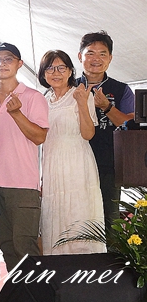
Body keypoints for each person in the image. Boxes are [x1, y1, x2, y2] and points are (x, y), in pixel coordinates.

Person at [0, 43, 48, 273]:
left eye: (8, 59)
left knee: (25, 246)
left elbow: (39, 137)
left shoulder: (33, 97)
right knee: (7, 246)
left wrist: (16, 113)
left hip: (23, 184)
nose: (2, 64)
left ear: (19, 64)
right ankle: (18, 293)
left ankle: (37, 294)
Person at [37, 50, 106, 256]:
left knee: (79, 212)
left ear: (70, 71)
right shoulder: (42, 100)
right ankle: (59, 270)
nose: (55, 73)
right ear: (43, 73)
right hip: (51, 165)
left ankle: (85, 268)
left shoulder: (81, 94)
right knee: (54, 216)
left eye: (61, 68)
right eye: (50, 68)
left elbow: (88, 134)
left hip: (77, 162)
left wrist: (82, 104)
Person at [76, 31, 135, 221]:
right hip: (74, 164)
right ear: (80, 57)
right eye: (90, 53)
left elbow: (130, 126)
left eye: (102, 54)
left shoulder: (121, 89)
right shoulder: (69, 87)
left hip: (109, 165)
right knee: (77, 218)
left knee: (109, 220)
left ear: (110, 58)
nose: (96, 59)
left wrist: (106, 107)